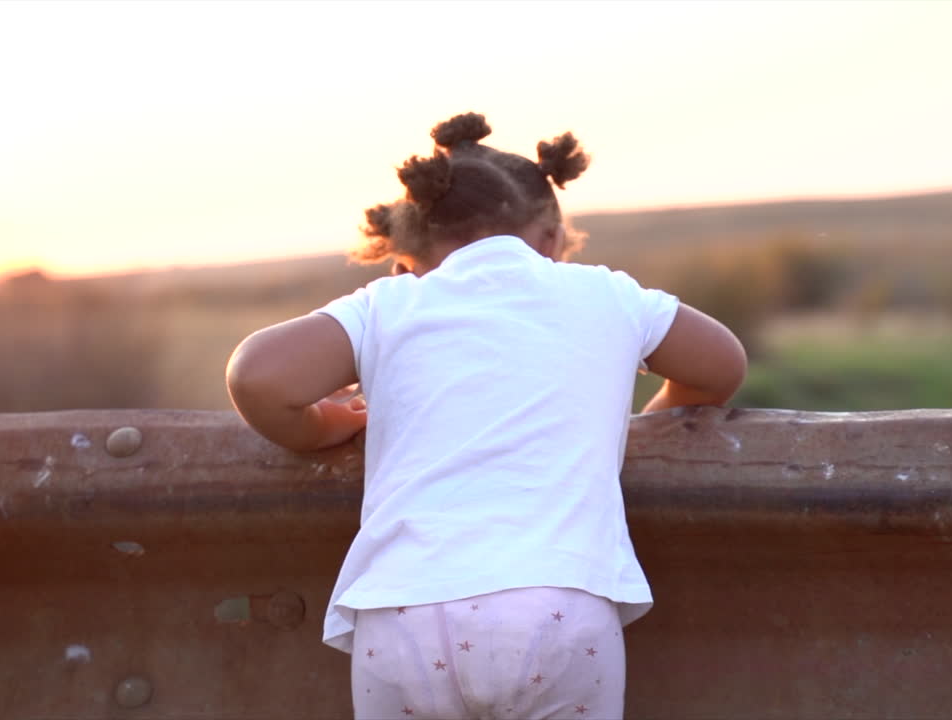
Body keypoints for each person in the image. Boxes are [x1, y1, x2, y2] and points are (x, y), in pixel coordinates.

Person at [226, 112, 746, 720]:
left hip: (401, 612)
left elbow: (255, 377)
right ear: (552, 237)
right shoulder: (608, 294)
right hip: (558, 603)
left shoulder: (390, 304)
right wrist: (633, 430)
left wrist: (322, 426)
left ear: (409, 254)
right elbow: (721, 365)